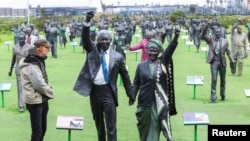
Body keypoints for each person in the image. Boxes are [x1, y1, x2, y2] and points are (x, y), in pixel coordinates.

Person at [73, 11, 134, 141]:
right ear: (97, 41)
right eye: (101, 39)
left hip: (109, 93)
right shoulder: (92, 51)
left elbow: (125, 77)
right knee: (99, 124)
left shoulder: (118, 57)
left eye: (107, 39)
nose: (104, 42)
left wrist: (131, 94)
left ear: (111, 41)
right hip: (95, 92)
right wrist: (87, 21)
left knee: (111, 125)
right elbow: (84, 38)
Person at [131, 28, 180, 141]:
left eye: (155, 51)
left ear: (158, 52)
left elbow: (169, 50)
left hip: (158, 102)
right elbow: (136, 83)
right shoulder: (141, 66)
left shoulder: (162, 62)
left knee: (155, 126)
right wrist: (132, 96)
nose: (153, 53)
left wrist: (176, 37)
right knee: (143, 128)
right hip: (144, 102)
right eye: (151, 51)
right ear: (147, 51)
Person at [19, 39, 54, 141]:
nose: (49, 50)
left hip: (41, 99)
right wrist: (51, 92)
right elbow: (39, 84)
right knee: (37, 132)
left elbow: (43, 79)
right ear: (39, 49)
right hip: (35, 102)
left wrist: (48, 90)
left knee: (43, 129)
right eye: (47, 48)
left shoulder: (38, 60)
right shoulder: (31, 64)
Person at [200, 22, 235, 103]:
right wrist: (206, 26)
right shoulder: (211, 40)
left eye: (219, 32)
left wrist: (232, 60)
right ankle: (213, 96)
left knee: (223, 80)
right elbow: (203, 36)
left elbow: (229, 52)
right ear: (214, 33)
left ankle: (223, 94)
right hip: (214, 62)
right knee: (214, 79)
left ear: (221, 33)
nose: (218, 34)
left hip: (222, 63)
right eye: (216, 33)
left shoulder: (225, 41)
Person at [8, 32, 33, 112]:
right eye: (19, 39)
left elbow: (33, 60)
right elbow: (13, 59)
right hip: (18, 70)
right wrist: (10, 69)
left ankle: (29, 103)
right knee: (20, 88)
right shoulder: (15, 47)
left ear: (25, 39)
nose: (20, 40)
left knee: (28, 87)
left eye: (22, 39)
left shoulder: (30, 47)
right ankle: (21, 106)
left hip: (28, 69)